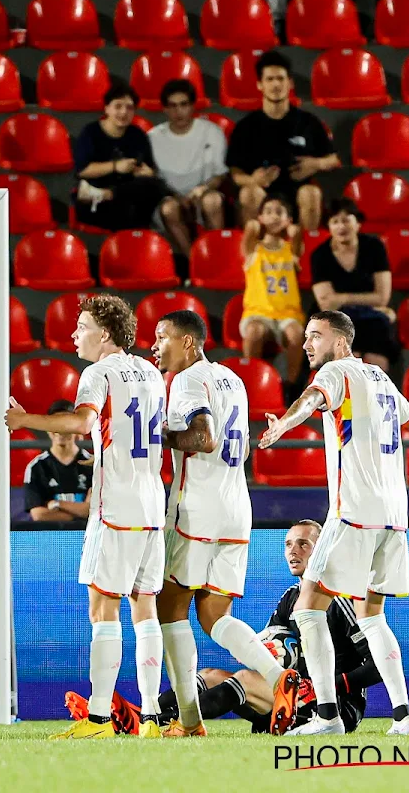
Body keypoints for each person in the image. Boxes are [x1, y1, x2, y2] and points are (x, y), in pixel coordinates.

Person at [258, 310, 409, 735]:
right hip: (393, 517)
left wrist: (284, 423)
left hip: (353, 512)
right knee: (372, 615)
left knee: (307, 608)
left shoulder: (337, 372)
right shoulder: (381, 379)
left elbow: (312, 399)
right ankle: (404, 716)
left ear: (339, 341)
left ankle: (328, 716)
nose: (306, 344)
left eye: (315, 336)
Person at [5, 295, 166, 739]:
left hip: (116, 506)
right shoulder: (153, 372)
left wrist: (24, 419)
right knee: (145, 609)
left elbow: (79, 423)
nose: (75, 334)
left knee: (103, 609)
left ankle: (97, 719)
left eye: (83, 327)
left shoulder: (98, 372)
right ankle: (152, 717)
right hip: (153, 503)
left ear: (106, 334)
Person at [150, 310, 302, 738]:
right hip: (237, 506)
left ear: (188, 343)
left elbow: (204, 437)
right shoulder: (233, 379)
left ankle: (189, 721)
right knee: (215, 614)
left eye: (162, 338)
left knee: (169, 607)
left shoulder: (185, 381)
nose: (155, 346)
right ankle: (279, 679)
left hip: (196, 508)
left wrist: (158, 436)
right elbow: (243, 444)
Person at [91, 520, 384, 734]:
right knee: (211, 674)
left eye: (303, 544)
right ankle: (147, 716)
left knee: (243, 679)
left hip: (335, 706)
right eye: (288, 544)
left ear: (321, 550)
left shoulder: (341, 599)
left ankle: (158, 723)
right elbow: (273, 646)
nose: (293, 551)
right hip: (293, 693)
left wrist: (330, 686)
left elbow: (376, 666)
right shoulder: (291, 598)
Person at [226, 51, 339, 230]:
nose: (276, 84)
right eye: (269, 79)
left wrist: (316, 163)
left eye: (280, 78)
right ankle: (257, 255)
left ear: (290, 83)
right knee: (249, 193)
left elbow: (334, 158)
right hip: (262, 193)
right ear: (259, 85)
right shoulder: (245, 127)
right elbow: (235, 171)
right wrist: (252, 180)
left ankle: (303, 253)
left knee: (311, 192)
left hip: (297, 192)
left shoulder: (308, 121)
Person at [309, 199, 398, 374]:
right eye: (335, 221)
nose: (341, 226)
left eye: (346, 220)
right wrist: (366, 300)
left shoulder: (374, 247)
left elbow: (382, 297)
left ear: (358, 223)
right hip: (335, 320)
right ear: (329, 227)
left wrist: (342, 298)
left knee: (376, 361)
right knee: (346, 361)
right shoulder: (320, 255)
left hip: (371, 317)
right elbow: (327, 304)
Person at [148, 80, 228, 257]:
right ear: (165, 109)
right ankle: (194, 261)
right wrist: (177, 197)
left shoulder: (212, 131)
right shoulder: (152, 138)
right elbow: (153, 179)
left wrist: (202, 190)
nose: (179, 112)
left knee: (212, 200)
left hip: (203, 194)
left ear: (193, 106)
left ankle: (218, 256)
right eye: (172, 106)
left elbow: (219, 175)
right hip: (169, 198)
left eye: (183, 104)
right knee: (169, 209)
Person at [74, 83, 168, 232]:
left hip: (127, 196)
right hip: (94, 202)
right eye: (118, 106)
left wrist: (146, 172)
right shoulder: (90, 132)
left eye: (129, 108)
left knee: (155, 185)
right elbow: (82, 170)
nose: (124, 112)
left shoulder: (138, 135)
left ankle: (108, 195)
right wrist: (116, 166)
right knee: (132, 212)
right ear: (107, 108)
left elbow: (149, 170)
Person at [240, 195, 306, 391]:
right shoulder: (254, 250)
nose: (274, 216)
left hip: (288, 313)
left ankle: (292, 387)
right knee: (254, 331)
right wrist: (251, 228)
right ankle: (249, 383)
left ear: (288, 220)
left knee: (296, 334)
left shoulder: (290, 250)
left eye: (279, 212)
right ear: (260, 217)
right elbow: (248, 239)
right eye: (268, 212)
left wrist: (298, 232)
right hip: (258, 312)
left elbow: (299, 244)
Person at [23, 400, 92, 523]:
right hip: (51, 539)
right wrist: (79, 515)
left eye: (66, 424)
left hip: (86, 537)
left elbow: (92, 511)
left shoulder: (92, 464)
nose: (60, 430)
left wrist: (57, 504)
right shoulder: (36, 467)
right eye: (55, 424)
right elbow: (38, 515)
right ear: (48, 429)